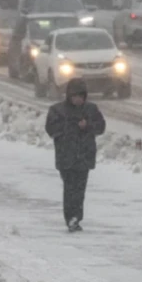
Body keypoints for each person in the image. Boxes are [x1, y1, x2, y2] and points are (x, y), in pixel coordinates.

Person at [45, 79, 106, 232]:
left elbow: (101, 127)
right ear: (69, 96)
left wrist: (88, 126)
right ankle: (71, 217)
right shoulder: (57, 110)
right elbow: (51, 129)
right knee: (70, 188)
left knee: (80, 189)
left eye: (81, 96)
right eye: (75, 96)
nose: (78, 99)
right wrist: (69, 127)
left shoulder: (91, 110)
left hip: (84, 156)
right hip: (66, 157)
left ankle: (76, 217)